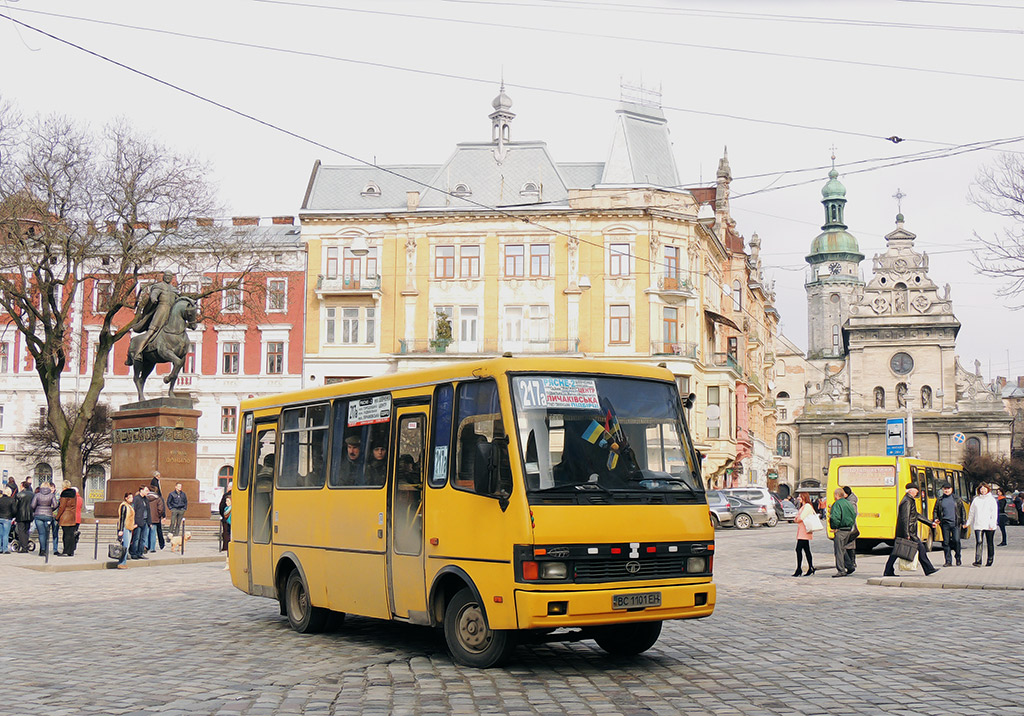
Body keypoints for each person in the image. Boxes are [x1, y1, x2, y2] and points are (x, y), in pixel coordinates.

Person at [883, 482, 940, 577]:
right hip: (909, 531)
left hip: (908, 531)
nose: (917, 492)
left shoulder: (909, 500)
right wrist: (907, 534)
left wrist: (930, 523)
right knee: (919, 548)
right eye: (916, 490)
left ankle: (888, 570)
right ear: (911, 490)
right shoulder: (907, 501)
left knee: (897, 551)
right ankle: (928, 569)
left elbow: (915, 515)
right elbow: (905, 518)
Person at [127, 270, 179, 364]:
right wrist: (153, 298)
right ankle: (138, 352)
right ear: (164, 277)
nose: (168, 277)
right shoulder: (159, 286)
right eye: (166, 276)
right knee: (151, 331)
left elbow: (178, 299)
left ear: (172, 278)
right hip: (161, 311)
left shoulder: (173, 289)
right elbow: (154, 293)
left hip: (171, 313)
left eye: (169, 276)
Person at [931, 482, 966, 567]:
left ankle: (958, 557)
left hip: (955, 523)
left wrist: (964, 522)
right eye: (945, 489)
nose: (946, 490)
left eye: (948, 489)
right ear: (943, 490)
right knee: (946, 542)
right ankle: (948, 560)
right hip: (944, 523)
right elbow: (935, 510)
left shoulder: (957, 499)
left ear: (951, 489)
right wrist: (936, 518)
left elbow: (962, 511)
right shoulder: (940, 500)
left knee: (956, 540)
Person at [966, 483, 998, 567]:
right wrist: (968, 523)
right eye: (981, 489)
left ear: (988, 489)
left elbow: (994, 513)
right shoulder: (976, 500)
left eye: (984, 489)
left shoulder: (991, 500)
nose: (983, 490)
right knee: (979, 542)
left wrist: (992, 523)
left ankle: (990, 559)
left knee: (989, 542)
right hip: (978, 524)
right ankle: (978, 560)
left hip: (989, 525)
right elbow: (971, 512)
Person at [828, 488, 857, 577]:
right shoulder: (848, 503)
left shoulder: (837, 504)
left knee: (839, 551)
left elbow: (835, 517)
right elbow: (854, 514)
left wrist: (834, 526)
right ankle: (850, 566)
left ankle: (841, 570)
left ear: (837, 495)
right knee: (843, 549)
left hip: (840, 530)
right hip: (848, 529)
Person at [30, 480, 59, 558]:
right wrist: (50, 509)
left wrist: (36, 510)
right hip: (48, 515)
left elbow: (32, 505)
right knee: (46, 533)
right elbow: (56, 505)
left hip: (38, 514)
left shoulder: (37, 495)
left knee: (41, 533)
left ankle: (42, 550)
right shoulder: (51, 495)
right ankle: (44, 549)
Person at [793, 492, 816, 577]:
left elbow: (801, 518)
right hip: (803, 531)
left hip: (804, 531)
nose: (798, 498)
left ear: (804, 497)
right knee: (806, 550)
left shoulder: (807, 506)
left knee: (798, 549)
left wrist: (796, 519)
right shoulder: (804, 506)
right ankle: (810, 567)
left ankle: (799, 569)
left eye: (800, 496)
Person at [56, 480, 78, 557]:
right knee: (71, 534)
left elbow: (62, 506)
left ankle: (66, 550)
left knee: (66, 535)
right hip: (72, 515)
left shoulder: (64, 494)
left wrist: (57, 516)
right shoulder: (74, 494)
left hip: (65, 515)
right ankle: (71, 551)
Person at [129, 485, 151, 560]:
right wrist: (134, 522)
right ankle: (134, 553)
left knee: (143, 538)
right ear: (141, 490)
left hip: (145, 521)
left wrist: (149, 522)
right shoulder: (137, 499)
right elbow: (133, 510)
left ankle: (140, 553)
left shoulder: (146, 499)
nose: (147, 492)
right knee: (136, 538)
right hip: (138, 522)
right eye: (146, 490)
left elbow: (148, 511)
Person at [115, 492, 135, 569]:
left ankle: (124, 562)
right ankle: (121, 562)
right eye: (130, 497)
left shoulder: (129, 506)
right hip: (125, 527)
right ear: (126, 498)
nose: (131, 499)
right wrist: (120, 529)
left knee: (127, 545)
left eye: (132, 497)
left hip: (129, 527)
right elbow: (122, 518)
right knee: (125, 546)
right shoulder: (124, 506)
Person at [842, 485, 859, 571]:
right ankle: (851, 563)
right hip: (850, 526)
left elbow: (853, 513)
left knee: (846, 545)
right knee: (849, 545)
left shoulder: (850, 502)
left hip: (849, 526)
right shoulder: (849, 500)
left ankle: (851, 564)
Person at [147, 475, 166, 551]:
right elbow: (161, 508)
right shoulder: (158, 498)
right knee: (153, 533)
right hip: (155, 518)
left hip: (147, 518)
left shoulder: (145, 498)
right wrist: (161, 516)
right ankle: (152, 548)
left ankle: (146, 546)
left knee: (146, 533)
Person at [15, 481, 33, 552]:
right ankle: (26, 545)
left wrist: (14, 514)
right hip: (29, 514)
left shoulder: (19, 495)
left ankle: (24, 547)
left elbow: (15, 506)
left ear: (22, 486)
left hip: (20, 515)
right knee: (26, 530)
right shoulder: (32, 494)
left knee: (21, 531)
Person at [0, 486, 16, 553]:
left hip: (0, 517)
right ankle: (5, 549)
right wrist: (12, 516)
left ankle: (0, 548)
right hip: (7, 518)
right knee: (6, 534)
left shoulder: (0, 499)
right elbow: (14, 510)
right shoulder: (11, 500)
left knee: (0, 534)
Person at [218, 481, 232, 552]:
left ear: (230, 487)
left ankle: (226, 547)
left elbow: (221, 506)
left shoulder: (226, 495)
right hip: (236, 518)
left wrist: (223, 515)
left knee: (226, 532)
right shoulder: (239, 494)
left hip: (226, 517)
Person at [222, 496, 232, 571]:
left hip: (233, 528)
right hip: (228, 528)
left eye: (228, 501)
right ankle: (227, 564)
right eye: (226, 501)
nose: (226, 502)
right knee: (228, 547)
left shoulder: (233, 509)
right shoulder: (226, 509)